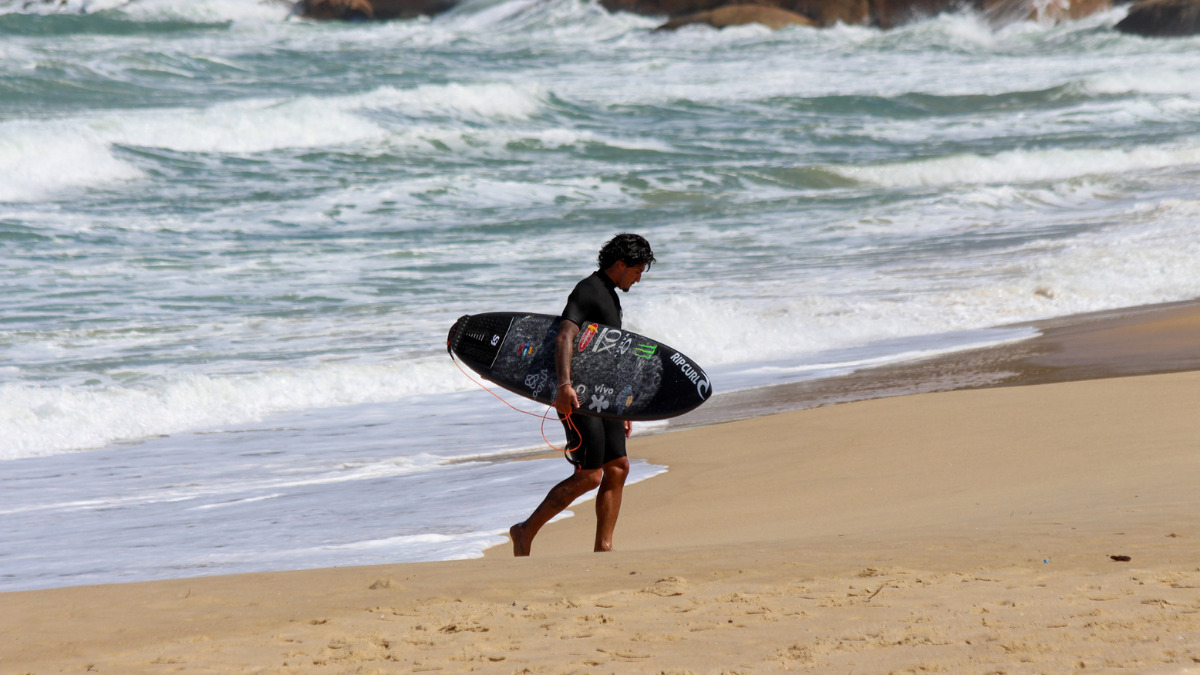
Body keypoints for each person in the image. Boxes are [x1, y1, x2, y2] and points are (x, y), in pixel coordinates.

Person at [509, 233, 656, 557]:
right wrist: (564, 386)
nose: (639, 277)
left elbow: (610, 355)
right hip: (576, 398)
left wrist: (623, 404)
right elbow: (565, 336)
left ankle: (604, 547)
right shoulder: (587, 290)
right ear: (620, 264)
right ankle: (525, 531)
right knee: (590, 476)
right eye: (637, 270)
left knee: (618, 467)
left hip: (603, 399)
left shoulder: (610, 296)